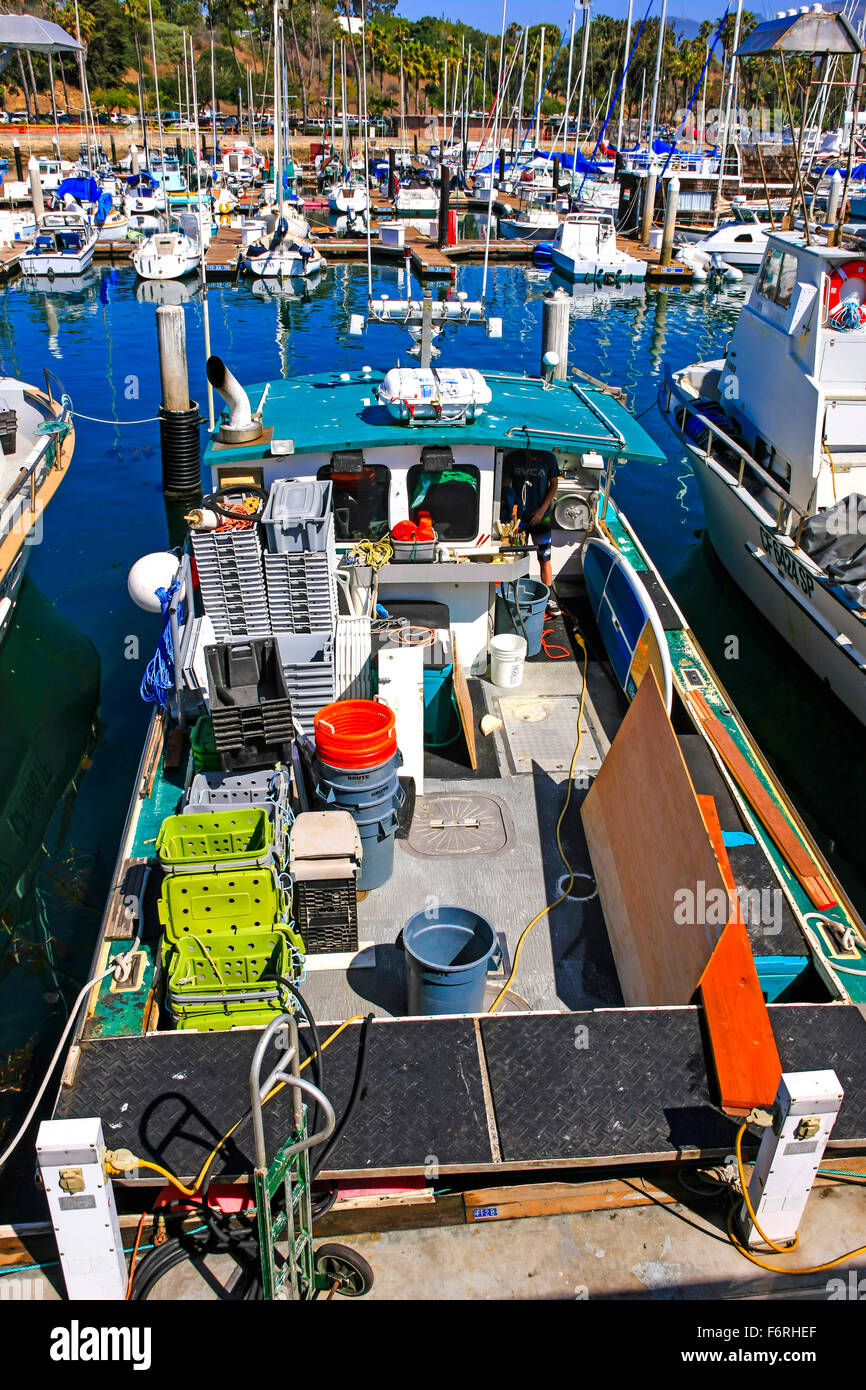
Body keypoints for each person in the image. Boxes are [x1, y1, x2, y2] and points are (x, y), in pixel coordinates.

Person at [501, 449, 561, 616]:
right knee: (518, 556)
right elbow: (506, 484)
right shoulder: (513, 458)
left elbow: (554, 484)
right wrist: (512, 510)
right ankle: (520, 594)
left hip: (542, 517)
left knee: (544, 556)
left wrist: (542, 511)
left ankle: (550, 596)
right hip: (518, 518)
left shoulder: (549, 458)